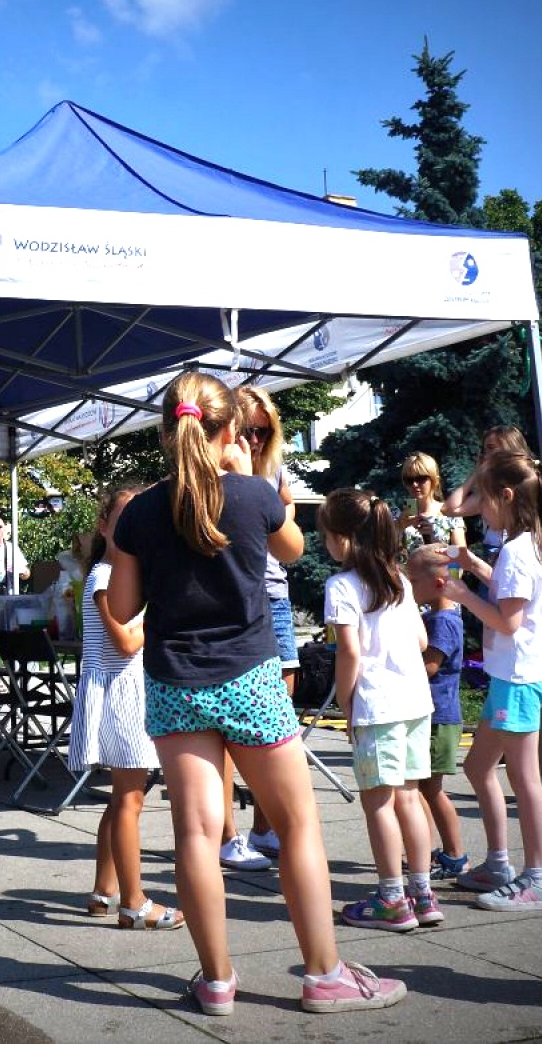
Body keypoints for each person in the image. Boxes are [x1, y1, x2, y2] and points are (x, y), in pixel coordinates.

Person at [109, 371, 405, 1017]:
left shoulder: (140, 512)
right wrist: (252, 475)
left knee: (194, 832)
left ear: (166, 432)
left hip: (174, 684)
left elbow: (126, 606)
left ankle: (215, 982)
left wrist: (124, 541)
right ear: (230, 432)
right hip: (248, 678)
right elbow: (295, 550)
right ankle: (324, 975)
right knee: (298, 825)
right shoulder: (250, 496)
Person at [441, 449, 542, 911]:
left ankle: (537, 878)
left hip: (517, 678)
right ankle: (499, 864)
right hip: (516, 675)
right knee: (477, 768)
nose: (478, 507)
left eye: (483, 498)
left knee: (524, 778)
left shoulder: (517, 549)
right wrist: (474, 566)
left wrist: (459, 592)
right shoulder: (535, 542)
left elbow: (507, 621)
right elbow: (515, 597)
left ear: (507, 496)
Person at [319, 488, 438, 932]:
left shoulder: (341, 586)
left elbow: (348, 650)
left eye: (327, 535)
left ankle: (391, 897)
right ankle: (422, 893)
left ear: (344, 538)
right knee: (408, 797)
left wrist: (347, 701)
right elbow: (423, 642)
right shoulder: (399, 580)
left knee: (378, 803)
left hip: (377, 703)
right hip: (414, 701)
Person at [70, 484, 183, 931]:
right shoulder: (105, 576)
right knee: (129, 802)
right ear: (104, 526)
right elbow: (123, 642)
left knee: (121, 801)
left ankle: (104, 890)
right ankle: (134, 902)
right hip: (120, 693)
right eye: (124, 520)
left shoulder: (118, 574)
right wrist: (158, 609)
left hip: (125, 690)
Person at [217, 385, 297, 871]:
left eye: (265, 431)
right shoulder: (210, 469)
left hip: (276, 596)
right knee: (227, 723)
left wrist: (257, 484)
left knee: (278, 720)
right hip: (234, 597)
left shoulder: (274, 470)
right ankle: (226, 835)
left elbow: (290, 544)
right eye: (249, 429)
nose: (257, 438)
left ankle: (264, 829)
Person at [407, 543, 469, 882]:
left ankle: (455, 854)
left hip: (439, 717)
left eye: (414, 579)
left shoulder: (444, 621)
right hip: (434, 716)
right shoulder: (436, 616)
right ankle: (433, 851)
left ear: (439, 582)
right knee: (421, 788)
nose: (410, 585)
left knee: (430, 789)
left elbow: (430, 666)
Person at [441, 426, 533, 560]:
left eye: (491, 448)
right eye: (484, 450)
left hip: (523, 552)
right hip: (493, 553)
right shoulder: (489, 489)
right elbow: (448, 509)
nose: (485, 455)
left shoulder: (528, 482)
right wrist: (476, 473)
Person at [396, 451, 466, 557]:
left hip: (441, 573)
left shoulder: (450, 514)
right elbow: (385, 555)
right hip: (407, 573)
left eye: (420, 479)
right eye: (409, 480)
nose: (414, 485)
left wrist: (434, 540)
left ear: (434, 480)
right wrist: (400, 527)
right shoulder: (398, 515)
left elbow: (461, 556)